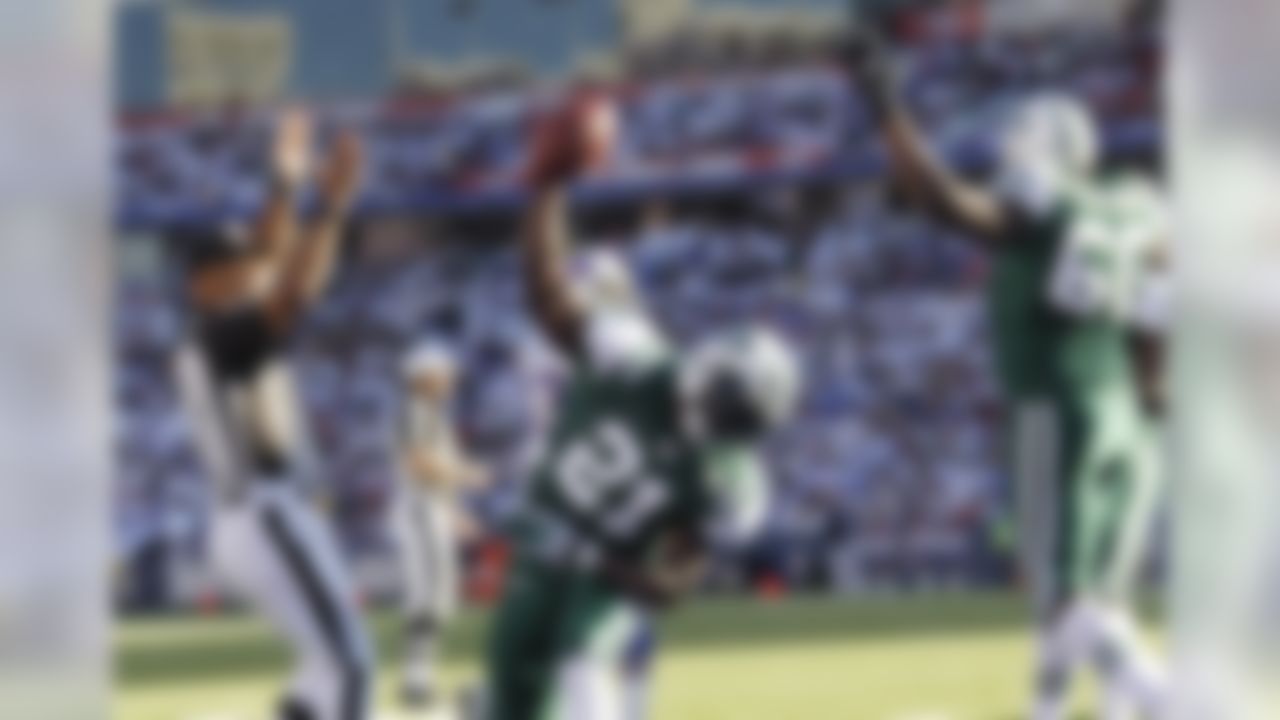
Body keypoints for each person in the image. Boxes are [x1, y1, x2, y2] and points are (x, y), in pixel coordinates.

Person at [842, 26, 1168, 720]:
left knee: (1069, 601)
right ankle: (1058, 709)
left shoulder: (1042, 203)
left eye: (1025, 137)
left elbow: (941, 200)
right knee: (1089, 599)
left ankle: (1161, 696)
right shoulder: (1135, 205)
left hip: (1051, 408)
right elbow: (1160, 307)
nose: (1011, 148)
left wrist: (886, 108)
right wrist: (1152, 395)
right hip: (1125, 418)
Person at [484, 91, 800, 720]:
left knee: (582, 665)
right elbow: (547, 294)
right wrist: (545, 190)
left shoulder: (727, 477)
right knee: (510, 701)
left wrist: (654, 581)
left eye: (730, 406)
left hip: (604, 574)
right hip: (539, 554)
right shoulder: (634, 357)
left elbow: (683, 563)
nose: (711, 403)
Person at [172, 109, 373, 720]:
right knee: (349, 667)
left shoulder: (217, 327)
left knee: (319, 672)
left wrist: (284, 186)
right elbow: (291, 290)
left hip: (254, 515)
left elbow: (273, 260)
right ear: (202, 284)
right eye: (233, 264)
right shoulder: (221, 333)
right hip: (264, 511)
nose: (250, 268)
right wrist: (331, 207)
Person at [392, 341, 487, 709]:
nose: (449, 377)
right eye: (443, 371)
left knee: (439, 597)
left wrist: (455, 513)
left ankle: (419, 678)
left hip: (429, 509)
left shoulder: (428, 411)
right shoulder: (417, 410)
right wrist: (467, 475)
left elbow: (431, 472)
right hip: (419, 510)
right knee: (429, 596)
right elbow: (419, 464)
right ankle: (416, 681)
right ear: (424, 377)